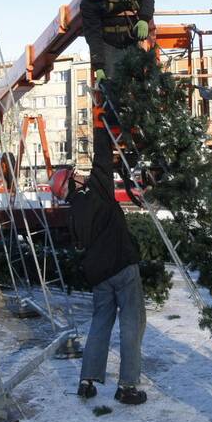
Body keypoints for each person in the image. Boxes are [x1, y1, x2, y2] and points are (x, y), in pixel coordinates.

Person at [50, 127, 147, 405]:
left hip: (99, 278)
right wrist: (101, 127)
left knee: (100, 323)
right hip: (123, 268)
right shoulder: (98, 195)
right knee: (132, 323)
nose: (79, 177)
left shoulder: (73, 215)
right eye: (74, 177)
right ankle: (127, 386)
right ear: (71, 184)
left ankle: (87, 381)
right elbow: (102, 160)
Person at [81, 0, 155, 82]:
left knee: (141, 85)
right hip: (109, 45)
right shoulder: (88, 1)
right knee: (113, 89)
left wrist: (144, 19)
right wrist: (98, 66)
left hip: (132, 40)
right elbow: (93, 34)